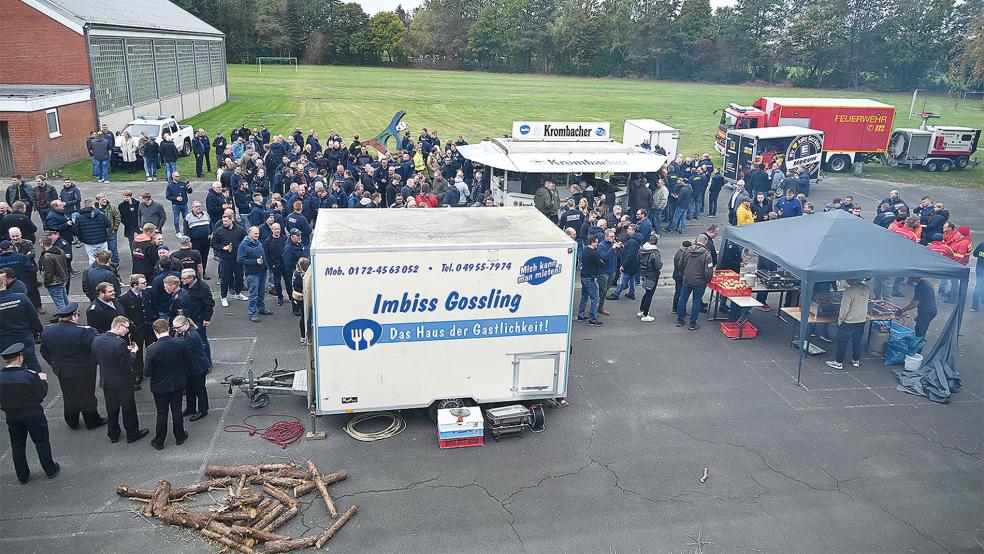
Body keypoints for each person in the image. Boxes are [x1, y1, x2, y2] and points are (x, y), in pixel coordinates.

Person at [39, 302, 106, 430]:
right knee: (87, 396)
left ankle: (72, 421)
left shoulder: (48, 331)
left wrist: (54, 363)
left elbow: (44, 351)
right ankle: (92, 420)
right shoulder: (82, 332)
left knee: (69, 396)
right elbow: (94, 347)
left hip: (62, 370)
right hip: (84, 370)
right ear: (73, 316)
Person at [0, 342, 59, 484]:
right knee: (41, 442)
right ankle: (50, 469)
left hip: (12, 416)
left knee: (18, 446)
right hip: (33, 414)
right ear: (20, 358)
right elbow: (41, 394)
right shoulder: (29, 376)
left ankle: (22, 475)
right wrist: (43, 381)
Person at [92, 316, 149, 444]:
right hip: (122, 382)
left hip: (107, 380)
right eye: (126, 327)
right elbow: (128, 363)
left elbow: (96, 359)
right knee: (128, 408)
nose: (127, 331)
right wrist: (133, 352)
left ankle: (113, 434)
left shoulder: (97, 340)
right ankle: (132, 433)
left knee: (111, 408)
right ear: (118, 326)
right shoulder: (120, 343)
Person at [144, 319, 190, 450]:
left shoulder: (152, 349)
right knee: (177, 410)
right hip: (177, 383)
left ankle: (159, 441)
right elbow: (188, 362)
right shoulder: (180, 344)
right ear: (169, 329)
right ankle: (180, 436)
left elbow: (147, 372)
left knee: (162, 413)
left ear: (155, 332)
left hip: (160, 387)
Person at [825, 279, 870, 370]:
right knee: (857, 341)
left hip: (849, 321)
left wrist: (840, 320)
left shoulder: (848, 292)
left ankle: (838, 362)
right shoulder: (867, 288)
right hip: (861, 320)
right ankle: (856, 360)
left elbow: (844, 309)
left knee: (842, 342)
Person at [172, 315, 210, 421]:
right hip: (190, 366)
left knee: (199, 389)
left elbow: (182, 351)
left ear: (186, 324)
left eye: (178, 327)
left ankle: (203, 410)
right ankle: (191, 408)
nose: (176, 330)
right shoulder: (184, 332)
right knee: (189, 388)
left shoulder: (191, 336)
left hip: (198, 367)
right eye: (175, 328)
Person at [118, 274, 153, 388]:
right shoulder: (124, 298)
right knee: (137, 352)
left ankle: (153, 369)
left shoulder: (148, 293)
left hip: (149, 327)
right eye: (143, 283)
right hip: (137, 329)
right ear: (134, 285)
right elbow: (124, 315)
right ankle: (138, 374)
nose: (146, 285)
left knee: (152, 348)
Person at [676, 234, 714, 330]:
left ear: (697, 240)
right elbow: (708, 271)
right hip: (700, 282)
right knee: (696, 301)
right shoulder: (707, 254)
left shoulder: (687, 250)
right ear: (705, 242)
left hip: (687, 279)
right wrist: (707, 280)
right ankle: (692, 324)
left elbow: (680, 264)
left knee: (682, 298)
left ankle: (680, 320)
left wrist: (684, 273)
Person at [212, 214, 247, 307]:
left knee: (239, 277)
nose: (224, 223)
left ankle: (238, 293)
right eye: (223, 221)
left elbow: (245, 240)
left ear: (231, 220)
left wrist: (240, 248)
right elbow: (213, 244)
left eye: (226, 221)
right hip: (225, 259)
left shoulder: (240, 230)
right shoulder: (219, 231)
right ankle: (223, 297)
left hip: (238, 259)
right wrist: (223, 247)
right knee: (225, 279)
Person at [238, 226, 271, 322]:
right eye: (255, 233)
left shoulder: (257, 242)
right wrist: (255, 261)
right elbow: (240, 259)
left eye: (258, 233)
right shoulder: (243, 245)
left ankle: (261, 308)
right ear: (249, 233)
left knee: (261, 292)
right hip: (252, 273)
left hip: (262, 271)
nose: (257, 235)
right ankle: (252, 313)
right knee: (253, 294)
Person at [577, 235, 610, 326]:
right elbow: (601, 263)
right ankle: (593, 320)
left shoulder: (585, 251)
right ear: (592, 243)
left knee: (584, 296)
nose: (597, 243)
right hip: (591, 278)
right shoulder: (593, 253)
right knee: (595, 298)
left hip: (584, 276)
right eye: (596, 242)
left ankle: (581, 315)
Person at [608, 224, 643, 300]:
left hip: (628, 264)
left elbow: (630, 255)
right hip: (634, 264)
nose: (627, 230)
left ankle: (616, 294)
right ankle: (631, 293)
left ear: (634, 231)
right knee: (632, 278)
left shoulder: (632, 241)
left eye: (629, 229)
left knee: (623, 280)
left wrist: (623, 265)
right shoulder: (636, 239)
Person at [37, 235, 70, 310]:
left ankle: (65, 316)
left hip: (55, 283)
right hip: (63, 279)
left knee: (59, 303)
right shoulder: (60, 251)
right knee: (65, 299)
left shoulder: (48, 256)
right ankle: (73, 312)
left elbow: (49, 273)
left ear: (42, 244)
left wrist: (46, 282)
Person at [636, 234, 663, 322]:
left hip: (644, 273)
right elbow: (658, 266)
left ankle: (641, 310)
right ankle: (645, 314)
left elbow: (638, 260)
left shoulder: (642, 249)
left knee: (647, 292)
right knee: (649, 294)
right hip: (652, 275)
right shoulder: (654, 252)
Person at [292, 258, 310, 344]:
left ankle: (303, 336)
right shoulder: (302, 276)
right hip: (301, 298)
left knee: (303, 317)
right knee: (304, 317)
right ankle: (303, 337)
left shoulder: (296, 272)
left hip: (296, 297)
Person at [972, 239, 984, 312]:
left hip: (980, 269)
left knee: (978, 286)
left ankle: (974, 306)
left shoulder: (982, 244)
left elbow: (975, 254)